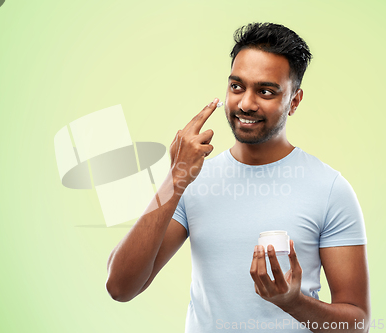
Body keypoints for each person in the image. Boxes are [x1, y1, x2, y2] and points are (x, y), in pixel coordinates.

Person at [106, 22, 370, 333]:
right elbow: (121, 288)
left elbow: (357, 324)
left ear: (294, 102)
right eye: (236, 86)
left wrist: (292, 302)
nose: (245, 103)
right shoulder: (192, 180)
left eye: (265, 91)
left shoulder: (329, 189)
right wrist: (176, 177)